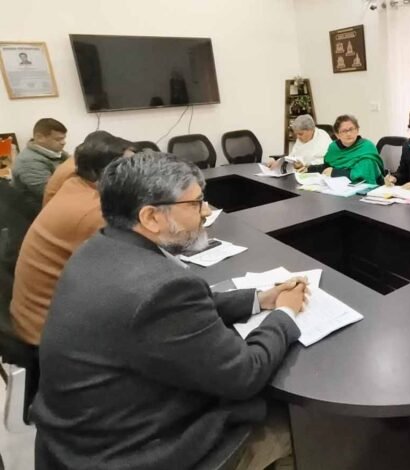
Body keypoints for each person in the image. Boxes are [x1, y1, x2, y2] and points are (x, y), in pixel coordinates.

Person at [31, 152, 309, 469]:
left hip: (76, 440)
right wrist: (284, 314)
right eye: (196, 203)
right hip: (124, 455)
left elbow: (183, 310)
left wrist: (260, 299)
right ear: (151, 217)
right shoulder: (161, 290)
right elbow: (245, 374)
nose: (206, 212)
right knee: (294, 424)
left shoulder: (99, 247)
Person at [10, 131, 134, 345]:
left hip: (35, 317)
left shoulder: (75, 184)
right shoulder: (94, 211)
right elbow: (136, 263)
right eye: (129, 169)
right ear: (101, 173)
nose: (138, 174)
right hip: (51, 335)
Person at [303, 114, 384, 184]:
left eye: (351, 129)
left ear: (357, 130)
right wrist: (308, 168)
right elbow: (328, 166)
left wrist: (335, 172)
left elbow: (363, 175)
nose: (349, 134)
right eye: (344, 131)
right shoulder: (334, 147)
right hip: (339, 188)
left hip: (366, 189)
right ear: (337, 134)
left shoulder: (366, 147)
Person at [12, 118, 69, 209]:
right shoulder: (28, 162)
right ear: (39, 138)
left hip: (56, 203)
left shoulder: (54, 151)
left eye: (64, 138)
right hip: (38, 210)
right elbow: (49, 193)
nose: (63, 142)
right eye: (58, 139)